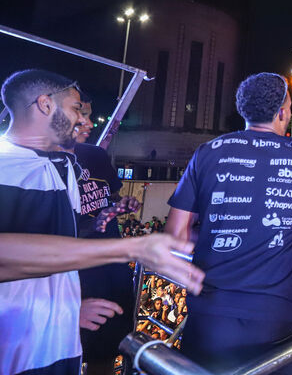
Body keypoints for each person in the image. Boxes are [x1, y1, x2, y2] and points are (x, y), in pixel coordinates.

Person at [0, 69, 203, 375]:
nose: (84, 121)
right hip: (14, 351)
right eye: (75, 109)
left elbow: (56, 255)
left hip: (55, 347)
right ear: (45, 105)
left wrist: (69, 310)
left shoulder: (62, 166)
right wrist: (132, 248)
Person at [165, 72, 292, 373]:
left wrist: (216, 239)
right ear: (282, 112)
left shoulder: (207, 152)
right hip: (281, 323)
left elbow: (174, 237)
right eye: (290, 106)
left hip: (211, 323)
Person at [61, 98, 139, 375]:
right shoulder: (46, 162)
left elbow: (108, 201)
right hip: (74, 270)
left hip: (112, 267)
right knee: (67, 349)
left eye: (90, 115)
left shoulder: (95, 155)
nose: (90, 124)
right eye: (81, 114)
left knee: (107, 348)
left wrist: (121, 206)